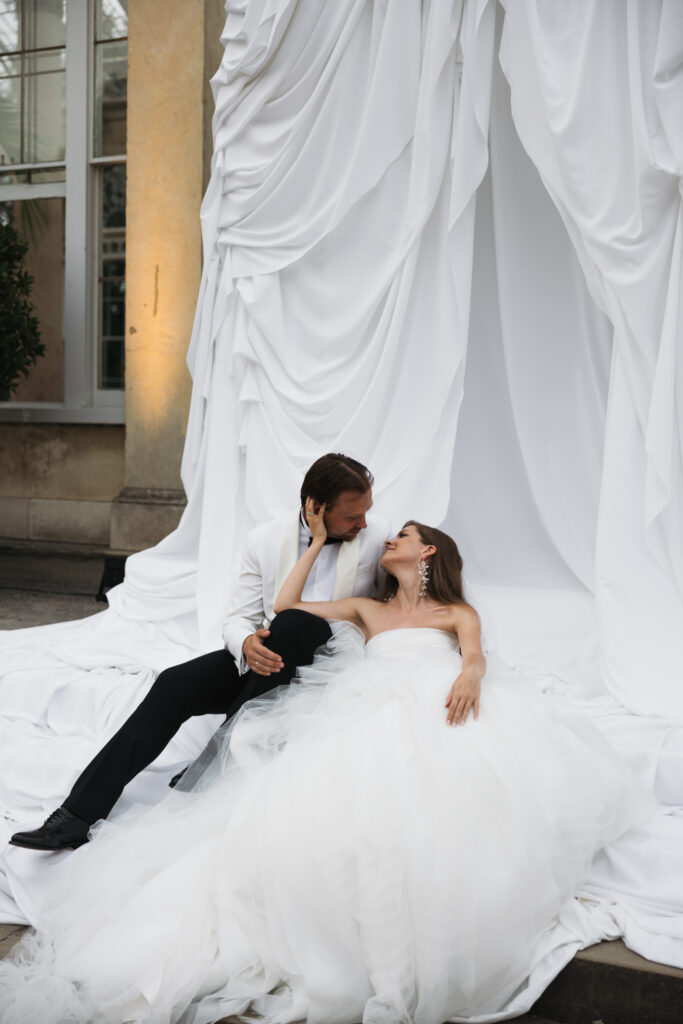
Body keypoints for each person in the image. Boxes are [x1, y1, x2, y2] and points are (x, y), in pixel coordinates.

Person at [0, 512, 650, 1024]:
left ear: (428, 553)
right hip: (367, 708)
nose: (390, 539)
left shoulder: (455, 612)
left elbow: (474, 653)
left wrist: (470, 674)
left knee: (452, 799)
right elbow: (287, 609)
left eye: (404, 535)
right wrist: (311, 545)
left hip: (438, 705)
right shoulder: (368, 610)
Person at [9, 453, 389, 852]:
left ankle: (213, 758)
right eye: (352, 517)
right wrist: (246, 644)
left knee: (296, 623)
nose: (362, 523)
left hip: (328, 671)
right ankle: (76, 815)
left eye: (366, 513)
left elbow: (399, 602)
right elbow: (238, 617)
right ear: (314, 507)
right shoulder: (263, 540)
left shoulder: (377, 537)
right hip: (266, 661)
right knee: (175, 683)